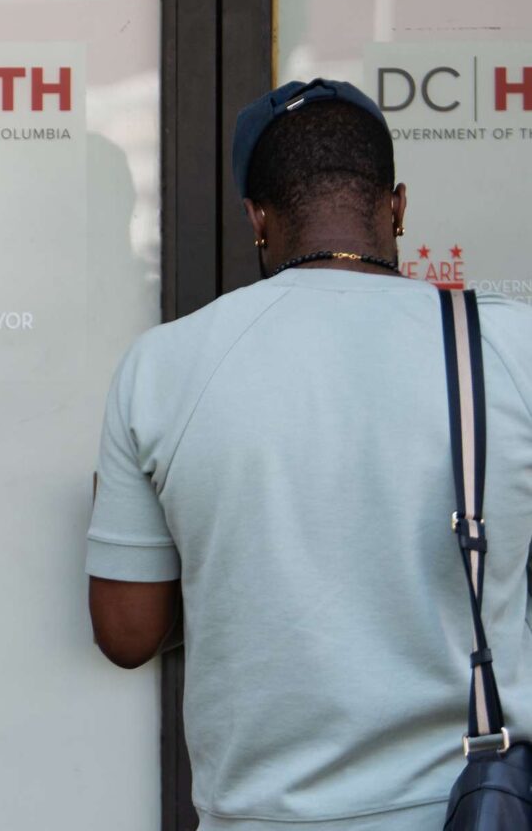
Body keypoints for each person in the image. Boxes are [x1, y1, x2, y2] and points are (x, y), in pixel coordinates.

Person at [86, 79, 532, 830]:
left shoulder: (162, 367)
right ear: (394, 207)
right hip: (471, 808)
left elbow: (127, 632)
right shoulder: (506, 346)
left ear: (257, 219)